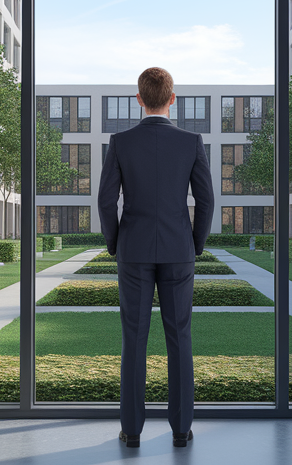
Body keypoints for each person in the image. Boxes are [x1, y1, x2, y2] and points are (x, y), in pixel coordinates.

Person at [98, 67, 214, 448]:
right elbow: (207, 200)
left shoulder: (120, 142)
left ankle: (131, 431)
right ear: (172, 98)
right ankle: (181, 430)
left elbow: (105, 200)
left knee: (134, 339)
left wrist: (115, 243)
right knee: (179, 337)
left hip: (134, 251)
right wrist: (194, 244)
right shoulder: (191, 141)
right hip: (178, 251)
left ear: (138, 99)